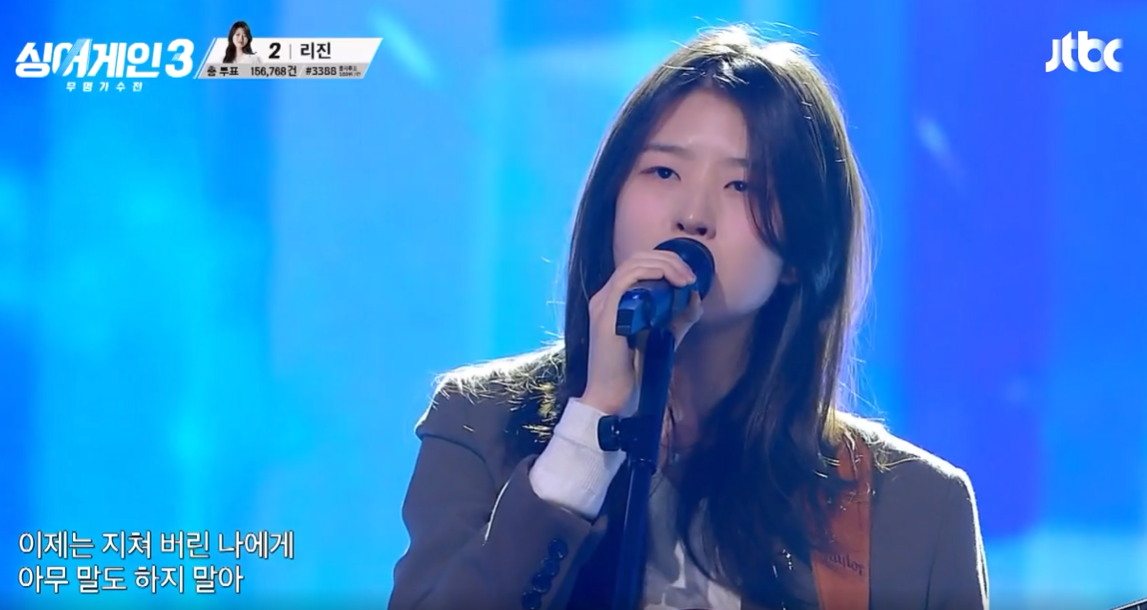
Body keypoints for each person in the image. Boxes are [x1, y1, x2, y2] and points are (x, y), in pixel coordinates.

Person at [389, 25, 989, 610]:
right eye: (664, 172)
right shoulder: (480, 421)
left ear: (800, 253)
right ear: (611, 200)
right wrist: (591, 425)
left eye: (742, 186)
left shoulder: (917, 511)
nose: (693, 216)